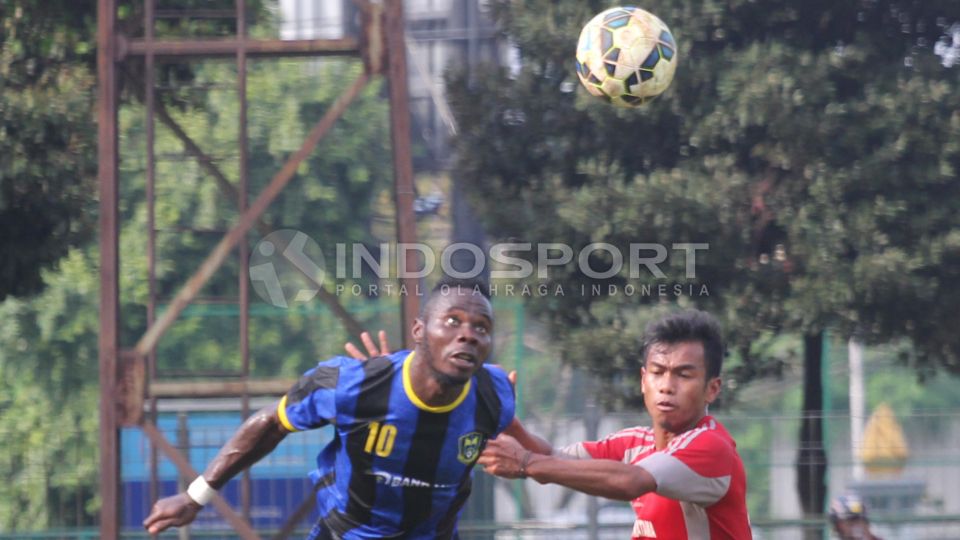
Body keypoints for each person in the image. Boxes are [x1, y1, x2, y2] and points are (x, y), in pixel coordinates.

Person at [143, 277, 516, 539]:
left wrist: (545, 462)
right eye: (452, 321)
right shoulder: (352, 386)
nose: (467, 333)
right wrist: (196, 496)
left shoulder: (495, 395)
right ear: (419, 331)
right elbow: (272, 423)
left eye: (481, 327)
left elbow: (530, 449)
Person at [477, 309, 752, 540]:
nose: (667, 386)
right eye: (658, 372)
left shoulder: (710, 446)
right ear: (644, 380)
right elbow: (551, 458)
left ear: (712, 389)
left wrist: (524, 462)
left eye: (684, 375)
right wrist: (510, 425)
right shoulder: (635, 443)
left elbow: (631, 481)